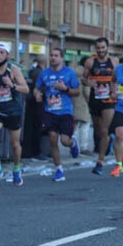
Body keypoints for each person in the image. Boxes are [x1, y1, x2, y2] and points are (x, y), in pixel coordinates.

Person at [33, 47, 81, 182]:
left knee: (64, 141)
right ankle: (59, 169)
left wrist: (65, 88)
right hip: (50, 111)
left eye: (56, 55)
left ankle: (72, 144)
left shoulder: (69, 73)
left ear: (61, 58)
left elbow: (77, 91)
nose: (53, 58)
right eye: (51, 55)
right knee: (52, 139)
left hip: (65, 111)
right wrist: (37, 94)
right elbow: (36, 87)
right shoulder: (44, 73)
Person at [0, 43, 29, 186]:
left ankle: (16, 168)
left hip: (13, 110)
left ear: (7, 55)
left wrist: (12, 85)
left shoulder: (14, 70)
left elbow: (26, 89)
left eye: (2, 52)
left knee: (15, 144)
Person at [85, 37, 117, 175]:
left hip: (108, 100)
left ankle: (100, 162)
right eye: (98, 48)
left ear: (107, 48)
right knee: (99, 132)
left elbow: (117, 78)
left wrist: (115, 90)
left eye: (103, 48)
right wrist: (88, 83)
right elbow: (84, 79)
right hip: (95, 99)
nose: (100, 50)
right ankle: (108, 141)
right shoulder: (90, 62)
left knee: (103, 130)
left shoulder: (113, 61)